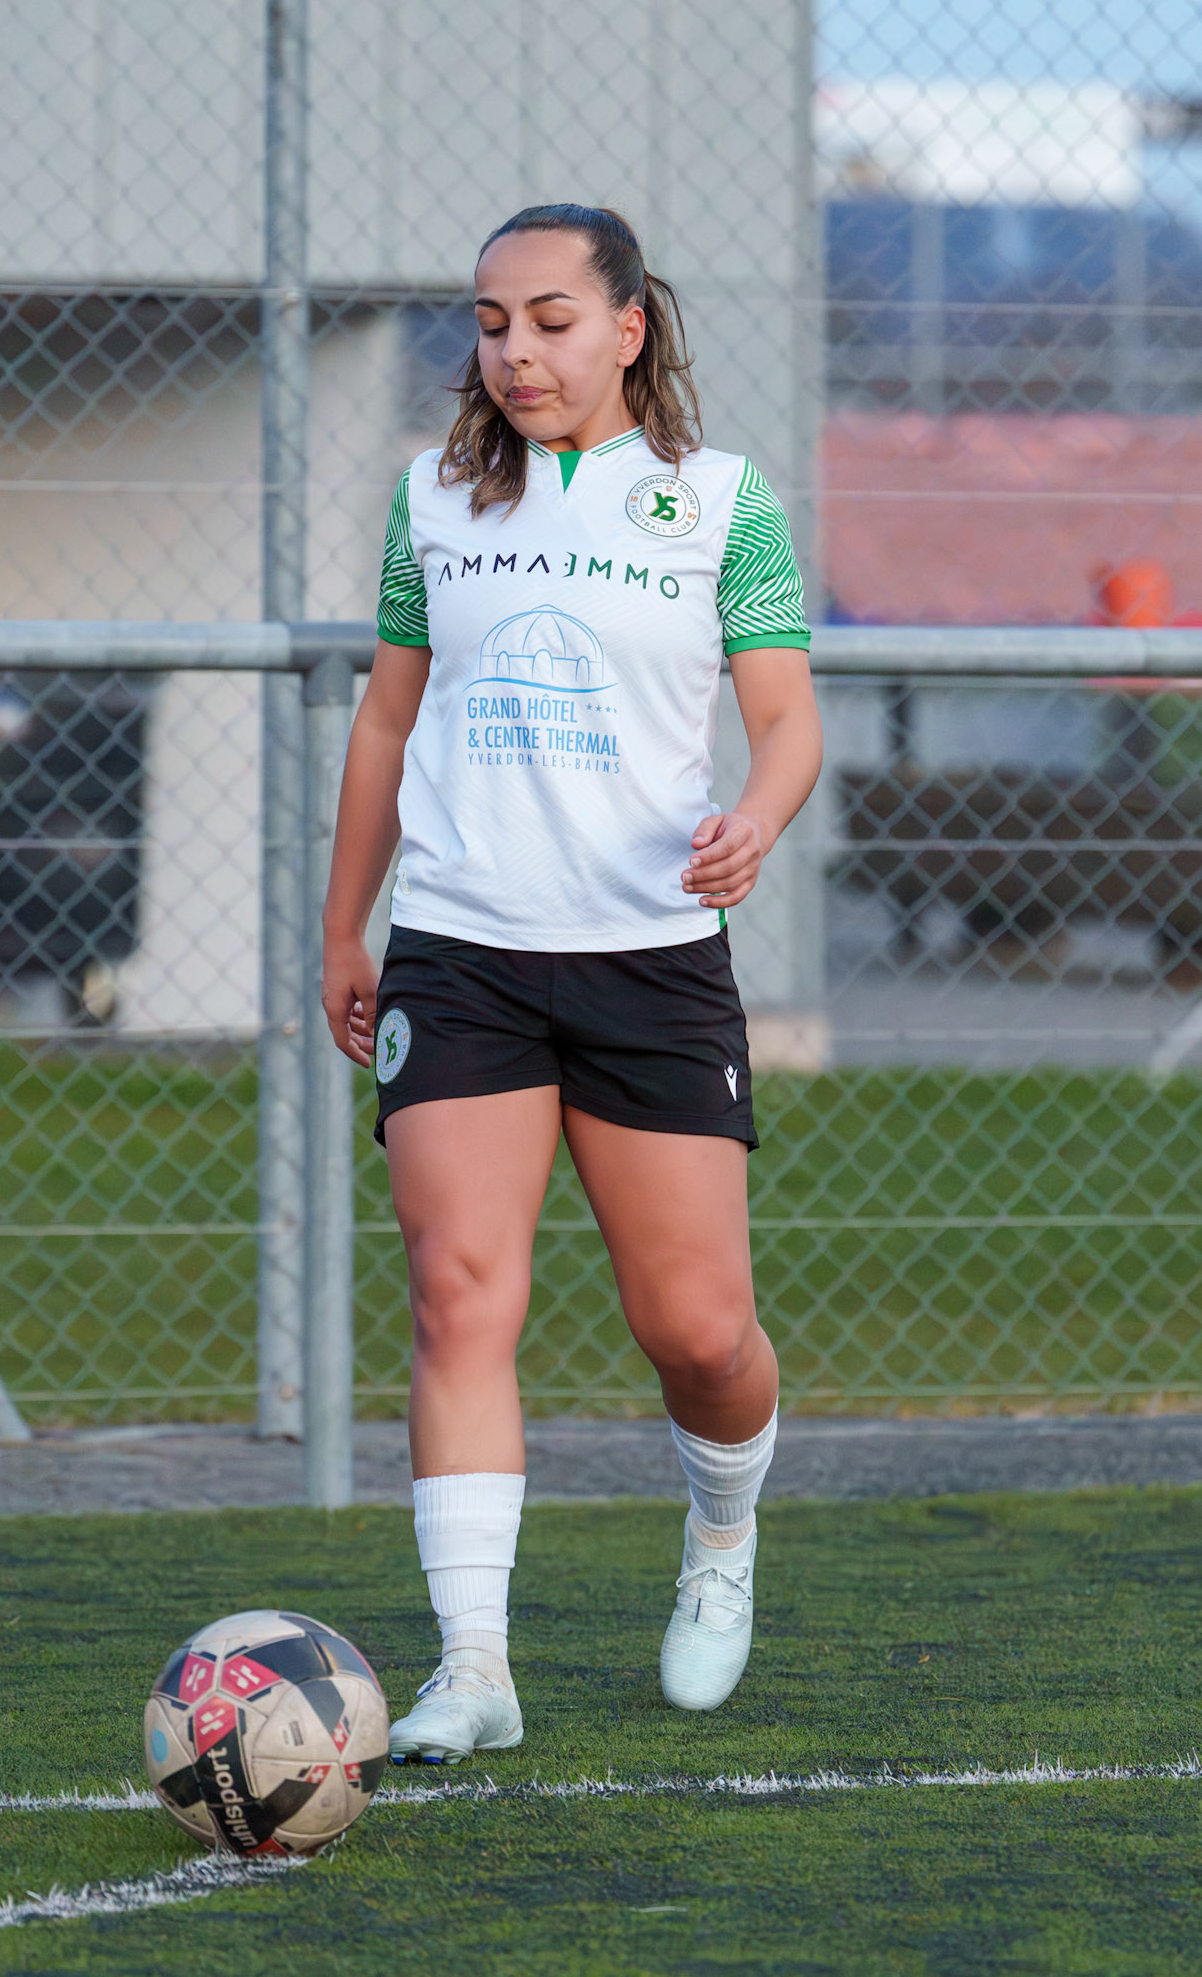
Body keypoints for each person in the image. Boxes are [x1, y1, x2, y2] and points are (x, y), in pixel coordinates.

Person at [320, 203, 822, 1764]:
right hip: (463, 952)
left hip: (651, 964)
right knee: (459, 1295)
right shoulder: (428, 497)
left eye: (547, 318)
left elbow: (787, 721)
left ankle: (722, 1541)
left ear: (625, 327)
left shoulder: (718, 501)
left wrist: (754, 816)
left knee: (697, 1330)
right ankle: (473, 1664)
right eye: (488, 322)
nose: (515, 351)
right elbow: (388, 728)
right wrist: (346, 929)